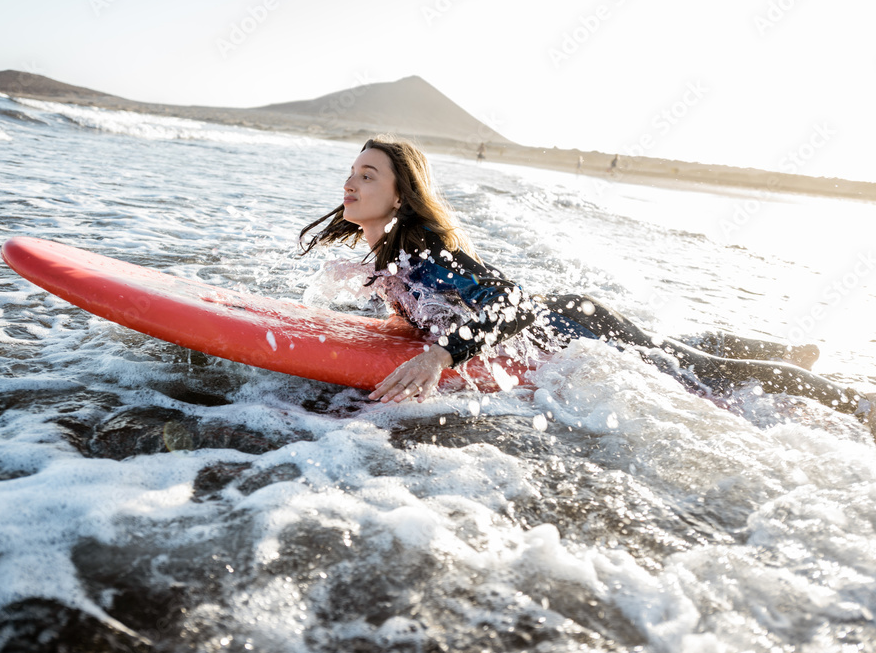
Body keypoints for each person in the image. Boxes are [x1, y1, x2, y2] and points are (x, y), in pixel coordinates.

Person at [299, 136, 876, 436]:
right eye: (352, 172)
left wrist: (441, 354)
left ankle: (859, 404)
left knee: (701, 373)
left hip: (573, 323)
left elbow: (512, 303)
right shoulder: (389, 256)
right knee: (684, 346)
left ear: (401, 195)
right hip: (569, 317)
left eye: (368, 175)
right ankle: (784, 351)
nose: (351, 182)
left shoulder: (426, 256)